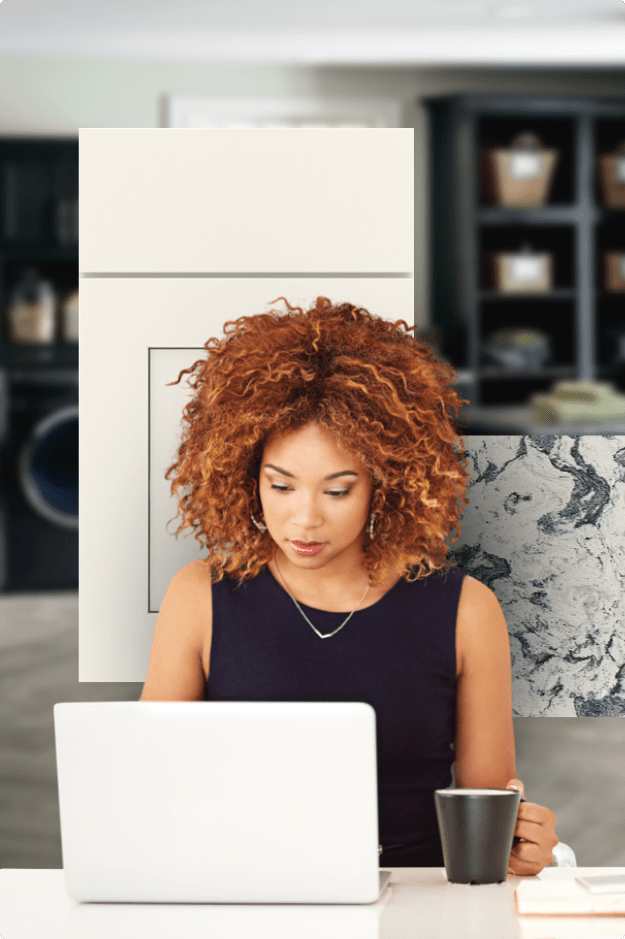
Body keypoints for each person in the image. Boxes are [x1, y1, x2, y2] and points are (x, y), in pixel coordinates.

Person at [141, 295, 558, 875]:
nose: (304, 519)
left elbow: (487, 818)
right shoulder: (199, 597)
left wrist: (522, 847)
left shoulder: (466, 610)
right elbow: (147, 791)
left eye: (337, 491)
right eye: (280, 486)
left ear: (384, 486)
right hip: (245, 892)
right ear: (246, 476)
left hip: (417, 904)